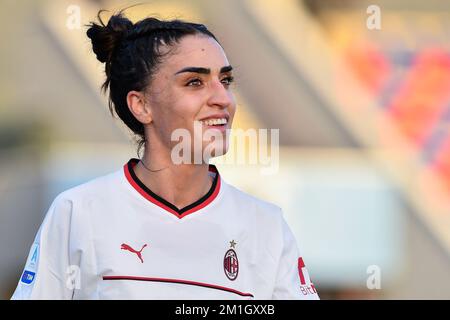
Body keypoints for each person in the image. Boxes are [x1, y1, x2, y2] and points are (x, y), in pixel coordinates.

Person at [11, 9, 319, 300]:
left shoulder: (266, 225)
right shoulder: (78, 212)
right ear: (141, 105)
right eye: (194, 82)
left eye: (225, 80)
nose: (222, 98)